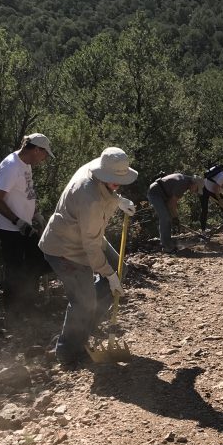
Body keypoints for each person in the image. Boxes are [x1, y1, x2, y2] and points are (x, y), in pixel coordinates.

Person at [39, 146, 137, 367]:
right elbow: (91, 248)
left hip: (86, 235)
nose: (117, 183)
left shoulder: (99, 169)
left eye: (119, 180)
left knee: (119, 269)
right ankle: (67, 352)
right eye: (113, 180)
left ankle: (87, 325)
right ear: (103, 173)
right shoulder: (89, 199)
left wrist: (118, 200)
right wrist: (109, 276)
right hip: (65, 249)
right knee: (83, 301)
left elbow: (106, 192)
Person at [0, 133, 54, 308]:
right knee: (15, 272)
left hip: (24, 227)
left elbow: (25, 192)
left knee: (35, 264)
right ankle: (14, 313)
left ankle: (28, 306)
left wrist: (35, 212)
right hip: (10, 230)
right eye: (45, 154)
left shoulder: (25, 164)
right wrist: (17, 221)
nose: (44, 159)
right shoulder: (11, 167)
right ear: (36, 150)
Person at [147, 173, 204, 252]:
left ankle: (168, 243)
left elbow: (171, 202)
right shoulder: (182, 184)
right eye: (197, 189)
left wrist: (174, 217)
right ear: (194, 184)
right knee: (165, 218)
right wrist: (175, 218)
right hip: (155, 194)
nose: (196, 192)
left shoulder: (185, 180)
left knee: (168, 217)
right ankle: (167, 246)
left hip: (162, 194)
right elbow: (172, 204)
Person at [200, 165, 223, 240]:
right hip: (204, 188)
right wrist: (220, 200)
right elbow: (215, 188)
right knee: (204, 210)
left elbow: (221, 188)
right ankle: (203, 233)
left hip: (213, 190)